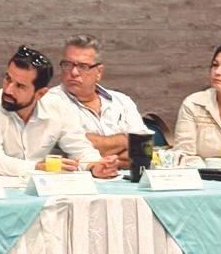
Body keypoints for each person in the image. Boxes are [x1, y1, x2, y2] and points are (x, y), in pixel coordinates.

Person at [0, 44, 118, 178]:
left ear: (40, 94)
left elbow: (81, 149)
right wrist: (38, 168)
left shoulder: (57, 107)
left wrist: (95, 165)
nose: (8, 90)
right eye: (8, 79)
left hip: (37, 192)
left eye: (20, 86)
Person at [43, 34, 146, 165]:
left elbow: (143, 146)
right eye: (67, 65)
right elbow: (76, 147)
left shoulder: (122, 101)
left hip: (124, 175)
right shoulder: (49, 101)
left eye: (83, 66)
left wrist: (108, 160)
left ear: (99, 72)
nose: (74, 72)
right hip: (76, 176)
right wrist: (126, 140)